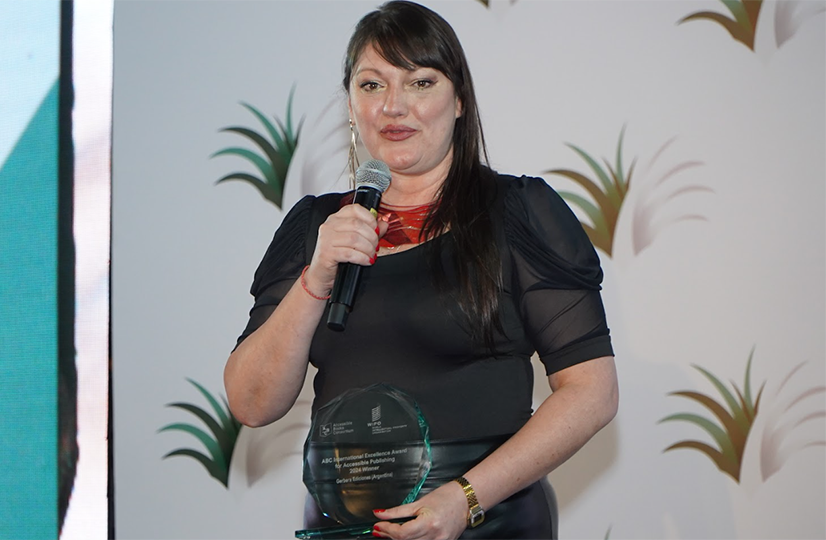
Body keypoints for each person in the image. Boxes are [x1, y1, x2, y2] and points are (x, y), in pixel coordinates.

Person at [223, 2, 618, 539]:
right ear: (351, 105)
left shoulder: (519, 212)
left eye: (420, 82)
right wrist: (315, 279)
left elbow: (592, 391)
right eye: (372, 85)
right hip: (347, 527)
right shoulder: (318, 226)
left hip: (483, 521)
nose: (393, 106)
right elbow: (251, 403)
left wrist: (465, 499)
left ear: (459, 100)